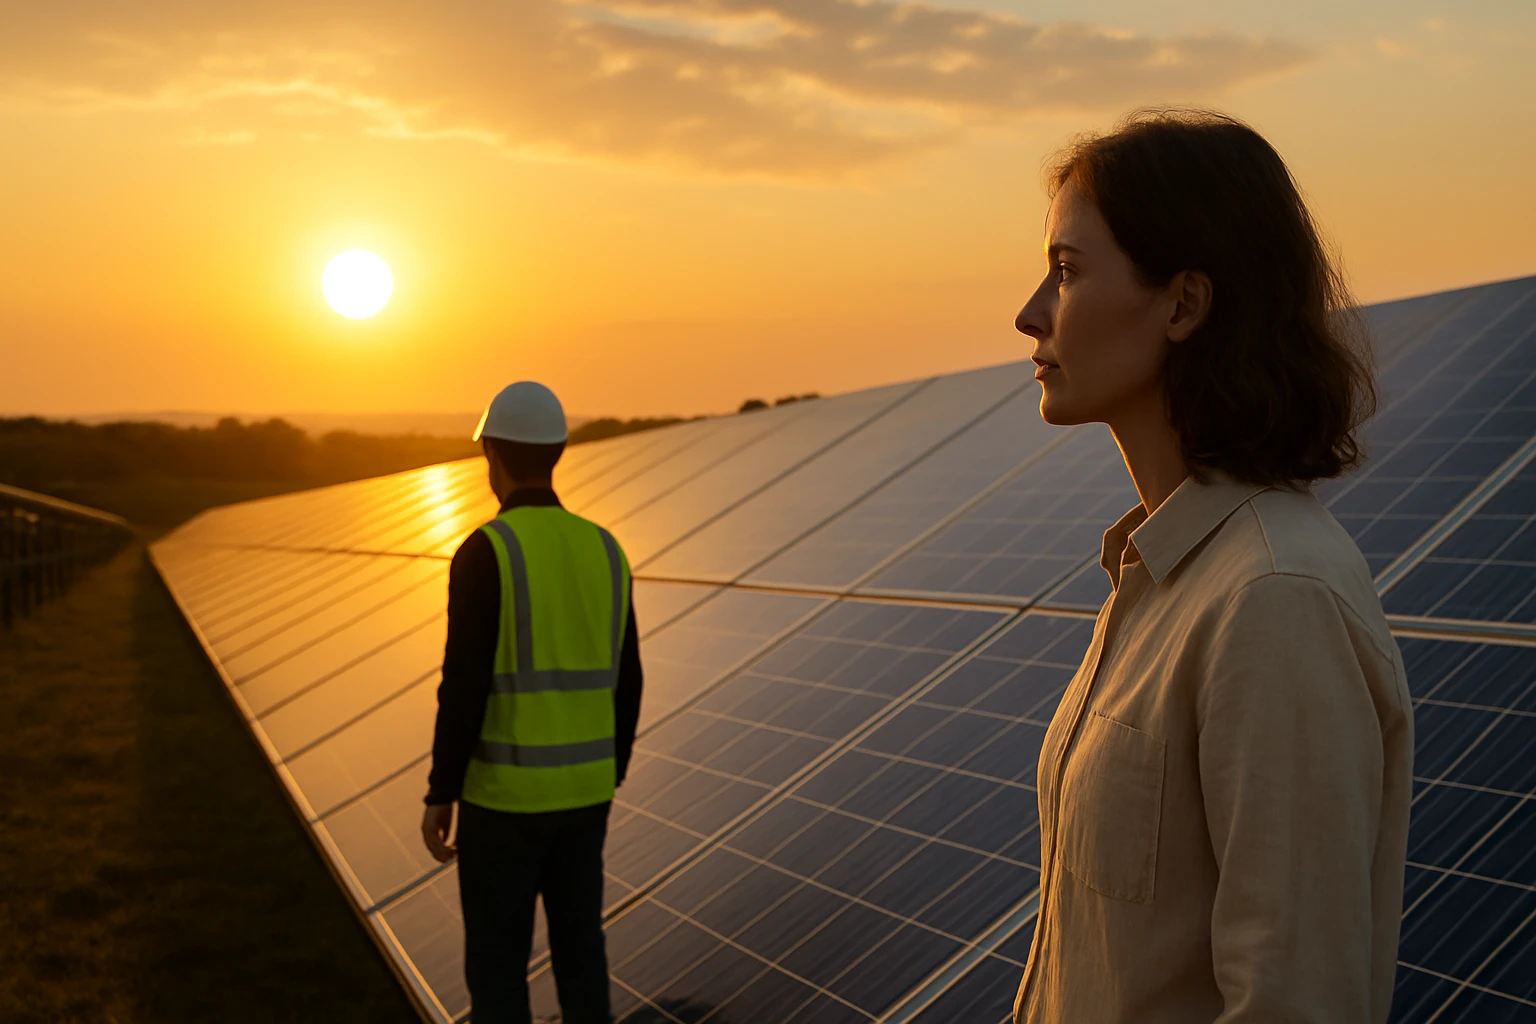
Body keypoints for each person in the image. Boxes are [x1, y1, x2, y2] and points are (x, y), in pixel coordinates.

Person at [1011, 109, 1412, 1023]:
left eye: (1067, 271)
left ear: (1184, 305)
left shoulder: (1273, 599)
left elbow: (1295, 1002)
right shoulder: (1165, 575)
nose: (1030, 313)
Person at [420, 380, 643, 1024]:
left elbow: (463, 684)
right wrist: (609, 769)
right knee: (581, 952)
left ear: (492, 453)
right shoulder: (606, 549)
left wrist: (442, 791)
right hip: (586, 797)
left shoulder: (486, 551)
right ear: (558, 451)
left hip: (503, 803)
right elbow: (629, 678)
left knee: (498, 967)